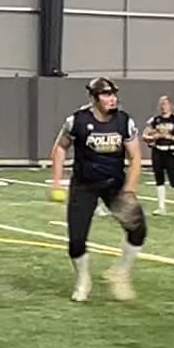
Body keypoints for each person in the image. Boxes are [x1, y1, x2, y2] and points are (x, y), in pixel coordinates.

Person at [48, 76, 147, 303]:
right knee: (76, 241)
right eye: (106, 94)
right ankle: (83, 279)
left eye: (113, 94)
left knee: (138, 229)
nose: (112, 99)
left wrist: (129, 191)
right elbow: (61, 147)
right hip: (84, 184)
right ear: (94, 97)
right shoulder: (77, 121)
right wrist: (57, 181)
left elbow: (135, 157)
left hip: (114, 184)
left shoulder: (124, 121)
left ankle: (120, 272)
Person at [145, 94, 174, 217]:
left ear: (170, 105)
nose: (162, 106)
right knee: (159, 180)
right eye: (161, 104)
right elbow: (145, 135)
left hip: (170, 151)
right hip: (157, 151)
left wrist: (169, 137)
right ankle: (161, 207)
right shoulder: (155, 120)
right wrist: (153, 137)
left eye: (165, 104)